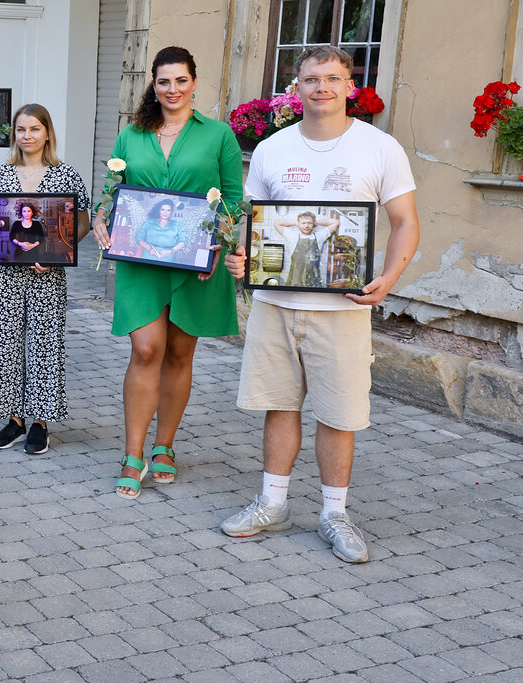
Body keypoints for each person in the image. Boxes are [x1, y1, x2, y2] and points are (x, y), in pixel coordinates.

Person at [219, 45, 419, 564]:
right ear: (297, 87)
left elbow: (405, 222)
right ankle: (272, 503)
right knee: (279, 403)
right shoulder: (271, 150)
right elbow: (252, 221)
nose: (322, 87)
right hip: (276, 303)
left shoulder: (379, 148)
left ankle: (334, 514)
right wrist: (241, 257)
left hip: (344, 306)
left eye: (332, 78)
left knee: (339, 413)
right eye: (311, 79)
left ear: (350, 86)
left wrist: (389, 277)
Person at [97, 46, 241, 500]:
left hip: (195, 260)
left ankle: (165, 446)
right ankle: (132, 452)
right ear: (153, 85)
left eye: (181, 80)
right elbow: (112, 191)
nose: (172, 89)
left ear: (194, 83)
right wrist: (102, 216)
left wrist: (220, 239)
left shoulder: (219, 135)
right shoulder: (131, 135)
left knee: (179, 353)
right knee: (145, 349)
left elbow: (234, 200)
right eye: (164, 82)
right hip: (141, 259)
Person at [0, 103, 93, 455]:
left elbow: (81, 222)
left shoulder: (65, 174)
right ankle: (13, 419)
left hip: (48, 276)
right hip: (7, 275)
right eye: (21, 130)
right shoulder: (2, 173)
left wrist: (58, 254)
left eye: (34, 129)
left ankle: (40, 421)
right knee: (4, 343)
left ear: (47, 133)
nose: (27, 136)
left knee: (43, 346)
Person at [273, 211, 334, 287]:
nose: (306, 226)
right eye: (303, 223)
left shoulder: (319, 237)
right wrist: (296, 223)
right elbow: (276, 223)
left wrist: (315, 222)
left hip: (314, 284)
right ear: (298, 224)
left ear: (313, 224)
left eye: (309, 223)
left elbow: (336, 223)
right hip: (294, 283)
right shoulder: (293, 236)